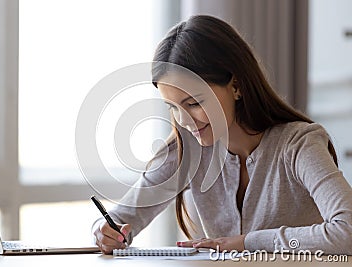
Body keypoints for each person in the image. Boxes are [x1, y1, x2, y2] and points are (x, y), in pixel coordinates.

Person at [92, 15, 352, 255]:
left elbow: (348, 231)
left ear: (236, 86)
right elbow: (119, 220)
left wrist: (248, 242)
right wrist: (105, 232)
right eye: (173, 107)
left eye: (193, 103)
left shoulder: (299, 145)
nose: (184, 121)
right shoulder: (186, 150)